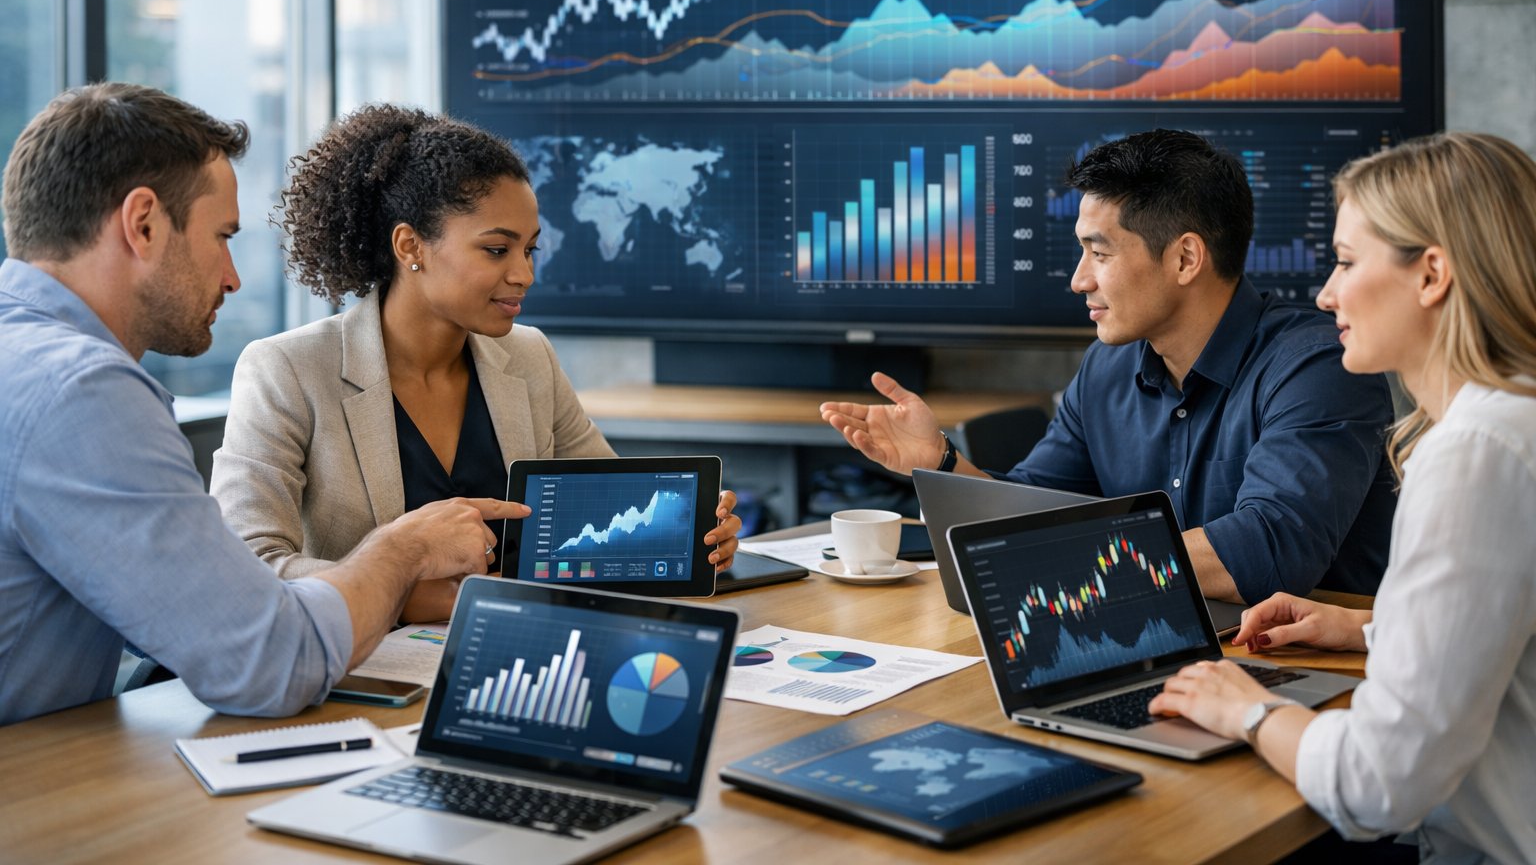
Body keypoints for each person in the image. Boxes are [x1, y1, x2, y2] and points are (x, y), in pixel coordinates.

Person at [0, 84, 523, 726]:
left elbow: (166, 614)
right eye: (221, 237)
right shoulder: (81, 393)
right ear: (142, 224)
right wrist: (405, 553)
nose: (232, 276)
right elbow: (267, 663)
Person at [1148, 133, 1536, 864]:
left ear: (1431, 276)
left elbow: (1378, 784)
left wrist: (1247, 710)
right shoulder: (1513, 423)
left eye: (1349, 262)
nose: (1326, 293)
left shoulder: (1474, 456)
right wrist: (1374, 630)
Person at [821, 129, 1396, 604]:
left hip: (1315, 678)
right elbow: (1028, 508)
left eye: (1099, 253)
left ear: (1185, 258)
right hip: (1151, 637)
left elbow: (1270, 550)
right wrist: (943, 463)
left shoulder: (1319, 366)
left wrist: (1059, 554)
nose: (1079, 279)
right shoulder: (1106, 367)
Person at [210, 105, 740, 621]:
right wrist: (394, 593)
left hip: (518, 650)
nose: (524, 274)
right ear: (410, 245)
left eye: (529, 250)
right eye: (496, 250)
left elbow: (612, 514)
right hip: (362, 671)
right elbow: (241, 569)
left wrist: (689, 536)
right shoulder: (287, 370)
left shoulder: (528, 356)